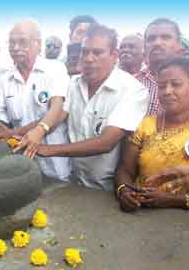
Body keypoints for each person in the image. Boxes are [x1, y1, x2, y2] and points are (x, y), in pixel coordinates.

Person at [35, 24, 149, 191]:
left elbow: (106, 142)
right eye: (85, 52)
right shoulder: (73, 84)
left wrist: (49, 150)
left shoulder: (132, 90)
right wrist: (21, 134)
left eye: (97, 52)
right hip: (72, 182)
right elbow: (56, 116)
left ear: (114, 55)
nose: (88, 58)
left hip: (107, 190)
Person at [0, 20, 71, 182]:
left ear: (37, 44)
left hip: (56, 165)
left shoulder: (55, 69)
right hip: (23, 164)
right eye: (12, 42)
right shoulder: (5, 80)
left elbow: (58, 109)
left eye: (22, 41)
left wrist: (40, 130)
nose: (16, 48)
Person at [115, 57, 189, 212]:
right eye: (162, 86)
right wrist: (124, 190)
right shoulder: (145, 125)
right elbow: (125, 169)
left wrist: (172, 200)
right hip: (140, 212)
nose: (167, 91)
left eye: (176, 84)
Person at [136, 18, 184, 115]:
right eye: (151, 39)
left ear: (180, 46)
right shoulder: (132, 83)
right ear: (144, 47)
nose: (157, 43)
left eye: (166, 37)